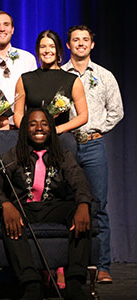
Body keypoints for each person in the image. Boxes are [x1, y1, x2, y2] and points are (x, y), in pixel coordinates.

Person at [0, 107, 93, 300]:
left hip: (53, 207)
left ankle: (75, 283)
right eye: (32, 124)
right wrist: (5, 205)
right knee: (8, 218)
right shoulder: (13, 154)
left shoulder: (63, 155)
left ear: (51, 128)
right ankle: (31, 284)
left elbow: (79, 181)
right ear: (25, 129)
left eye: (44, 123)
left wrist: (84, 204)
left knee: (82, 211)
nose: (39, 128)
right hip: (23, 209)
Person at [62, 25, 124, 284]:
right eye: (75, 40)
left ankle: (102, 267)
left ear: (92, 45)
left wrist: (95, 130)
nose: (80, 44)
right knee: (66, 204)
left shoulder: (104, 75)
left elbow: (116, 111)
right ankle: (65, 267)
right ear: (68, 45)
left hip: (93, 145)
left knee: (98, 206)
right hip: (65, 146)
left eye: (85, 40)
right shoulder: (59, 74)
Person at [14, 30, 88, 155]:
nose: (47, 50)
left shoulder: (72, 80)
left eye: (52, 46)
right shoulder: (25, 79)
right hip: (31, 142)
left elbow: (83, 116)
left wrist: (57, 129)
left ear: (58, 50)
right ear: (38, 50)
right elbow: (18, 114)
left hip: (61, 142)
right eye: (43, 47)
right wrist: (30, 131)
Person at [0, 10, 37, 125]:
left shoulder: (27, 58)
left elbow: (35, 94)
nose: (2, 29)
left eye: (6, 25)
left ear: (12, 29)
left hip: (23, 125)